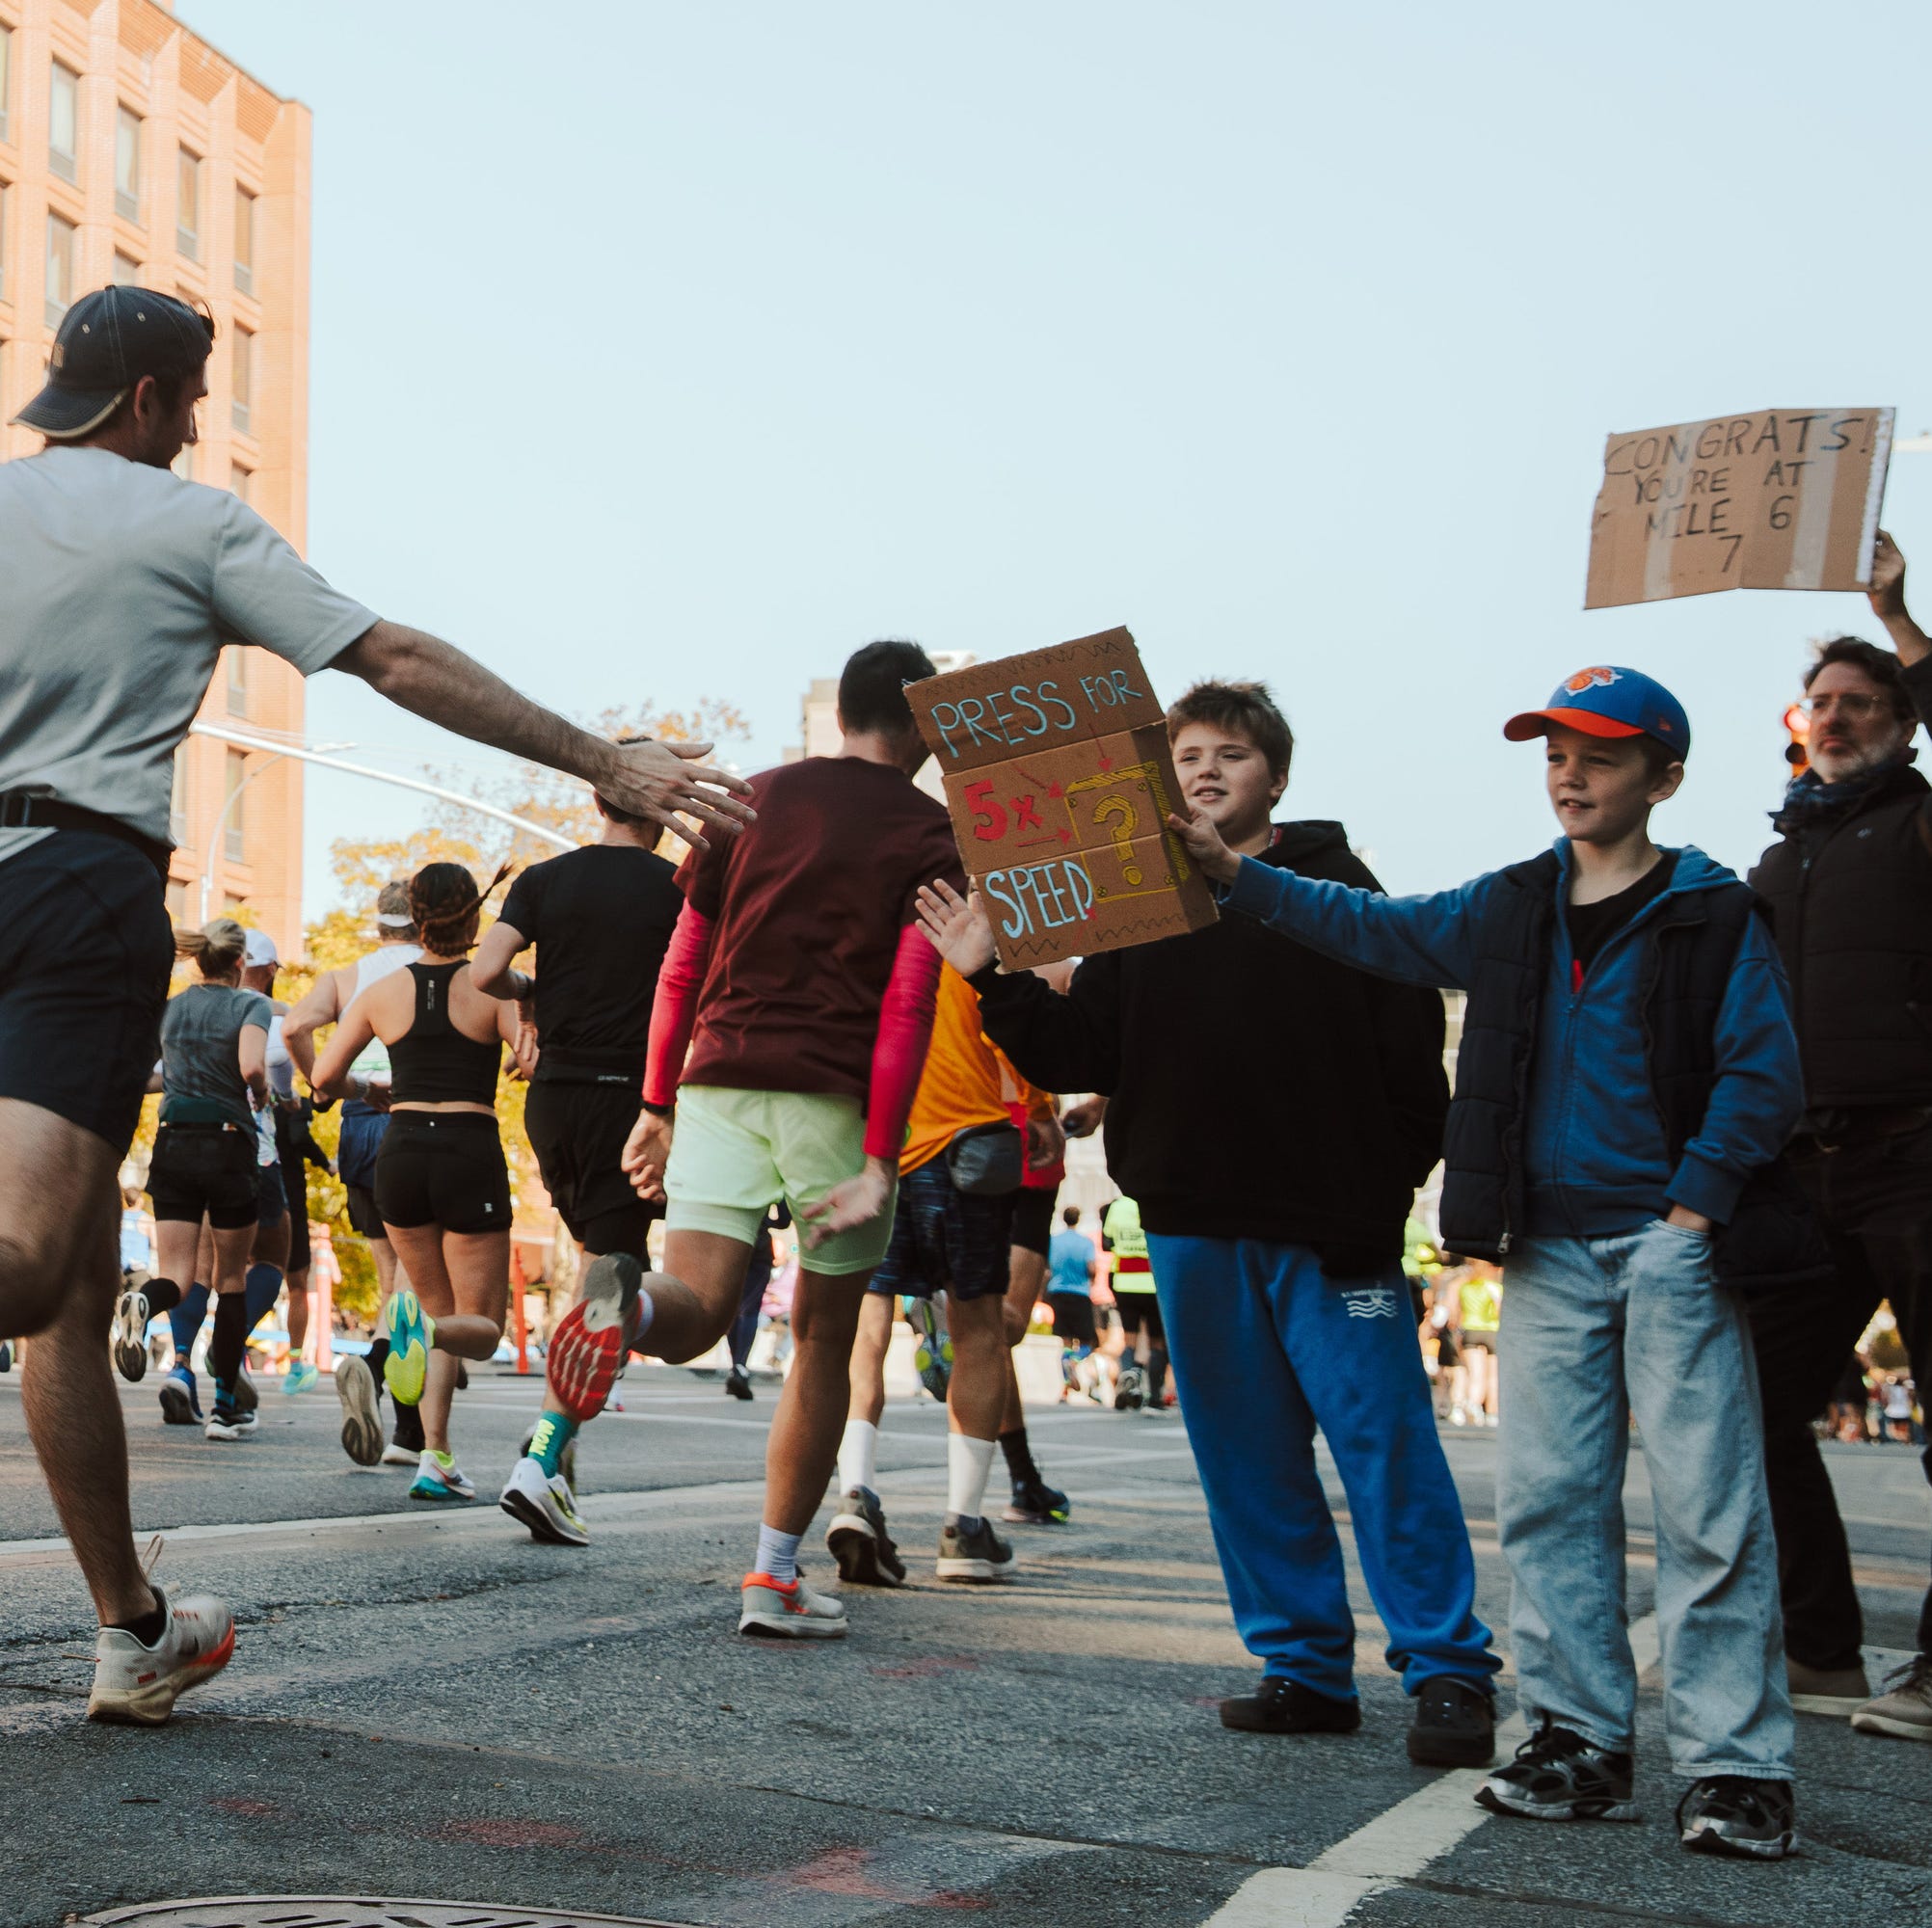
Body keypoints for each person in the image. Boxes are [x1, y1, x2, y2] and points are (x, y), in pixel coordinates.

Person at [0, 285, 752, 1724]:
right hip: (79, 885)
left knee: (77, 1293)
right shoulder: (192, 524)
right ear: (157, 399)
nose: (201, 425)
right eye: (199, 401)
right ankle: (129, 1626)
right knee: (33, 1269)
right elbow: (393, 658)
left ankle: (131, 1628)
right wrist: (607, 755)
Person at [1167, 665, 1809, 1859]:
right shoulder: (1511, 902)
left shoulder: (1714, 910)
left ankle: (1736, 1766)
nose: (1571, 772)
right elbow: (1373, 928)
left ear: (1663, 776)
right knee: (1551, 1506)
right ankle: (1577, 1740)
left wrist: (1692, 1216)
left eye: (1601, 755)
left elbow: (1764, 1075)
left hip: (1673, 1246)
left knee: (1710, 1513)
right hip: (1548, 1250)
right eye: (1556, 752)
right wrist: (1235, 878)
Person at [918, 678, 1499, 1771]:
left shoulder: (1341, 891)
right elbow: (1085, 1051)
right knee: (1246, 1457)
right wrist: (988, 973)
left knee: (1385, 1450)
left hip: (1336, 1236)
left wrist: (1373, 1203)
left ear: (1275, 775)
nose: (1203, 770)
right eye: (1185, 755)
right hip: (1192, 1228)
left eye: (1229, 753)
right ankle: (1306, 1669)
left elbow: (1415, 1078)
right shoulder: (1137, 908)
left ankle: (1449, 1669)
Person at [599, 640, 962, 1641]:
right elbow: (907, 1002)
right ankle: (772, 1577)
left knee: (700, 1308)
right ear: (924, 719)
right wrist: (882, 1153)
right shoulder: (934, 833)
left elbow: (683, 962)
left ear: (843, 710)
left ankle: (618, 1304)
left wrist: (657, 1100)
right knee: (821, 1338)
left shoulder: (749, 799)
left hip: (716, 1076)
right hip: (834, 1101)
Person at [1745, 530, 1932, 1745]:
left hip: (1923, 1151)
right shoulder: (1777, 855)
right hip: (1804, 1170)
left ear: (1907, 721)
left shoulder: (1920, 827)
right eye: (1821, 701)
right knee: (1754, 1405)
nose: (1837, 715)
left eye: (1863, 702)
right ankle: (1819, 1648)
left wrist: (1896, 614)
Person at [469, 758, 684, 1543]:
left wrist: (533, 994)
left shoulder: (545, 878)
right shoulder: (680, 888)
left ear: (596, 797)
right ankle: (541, 1458)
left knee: (598, 1269)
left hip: (553, 1099)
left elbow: (487, 969)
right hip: (633, 1099)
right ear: (665, 807)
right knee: (614, 1282)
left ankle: (554, 1471)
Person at [827, 961, 1059, 1589]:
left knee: (866, 1327)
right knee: (979, 1325)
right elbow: (1008, 1029)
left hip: (873, 1149)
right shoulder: (969, 926)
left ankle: (857, 1493)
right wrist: (1040, 1110)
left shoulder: (869, 922)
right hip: (967, 1145)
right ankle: (963, 1527)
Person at [310, 864, 523, 1503]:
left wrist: (364, 1089)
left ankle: (437, 1456)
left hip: (399, 1155)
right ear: (474, 918)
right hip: (467, 1150)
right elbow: (529, 1056)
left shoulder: (380, 993)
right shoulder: (495, 991)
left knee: (435, 1306)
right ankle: (409, 1353)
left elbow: (322, 1074)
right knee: (478, 1327)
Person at [284, 881, 426, 1466]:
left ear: (378, 926)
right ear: (426, 923)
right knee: (420, 1282)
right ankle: (381, 1381)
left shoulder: (347, 977)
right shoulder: (439, 970)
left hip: (360, 1125)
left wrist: (323, 1083)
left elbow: (294, 1027)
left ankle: (407, 1428)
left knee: (393, 1276)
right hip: (420, 1121)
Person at [112, 920, 271, 1444]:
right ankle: (225, 1410)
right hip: (228, 1143)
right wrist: (263, 1093)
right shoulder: (251, 1005)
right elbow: (251, 1067)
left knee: (178, 1276)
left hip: (173, 1141)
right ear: (240, 962)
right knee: (230, 1281)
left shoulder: (174, 1007)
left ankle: (142, 1303)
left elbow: (146, 1075)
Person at [1101, 1194, 1166, 1412]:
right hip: (1153, 1281)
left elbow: (1107, 1243)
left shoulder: (1117, 1207)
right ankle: (1155, 1395)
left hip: (1124, 1281)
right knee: (1157, 1342)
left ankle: (1128, 1383)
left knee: (1129, 1339)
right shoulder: (1154, 1203)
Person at [1045, 1206, 1100, 1401]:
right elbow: (1092, 1268)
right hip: (1080, 1293)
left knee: (1065, 1341)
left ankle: (1065, 1389)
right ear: (1078, 1219)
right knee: (1088, 1341)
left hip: (1058, 1292)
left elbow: (1047, 1268)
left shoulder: (1053, 1241)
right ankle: (1074, 1361)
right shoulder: (1085, 1243)